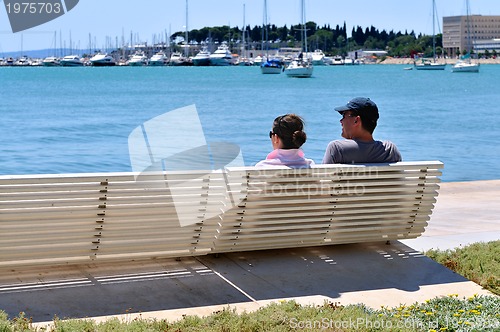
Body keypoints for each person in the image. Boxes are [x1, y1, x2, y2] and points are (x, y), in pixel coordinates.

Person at [322, 97, 402, 164]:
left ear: (356, 120)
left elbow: (324, 179)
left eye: (344, 115)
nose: (341, 121)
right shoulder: (390, 150)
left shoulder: (337, 149)